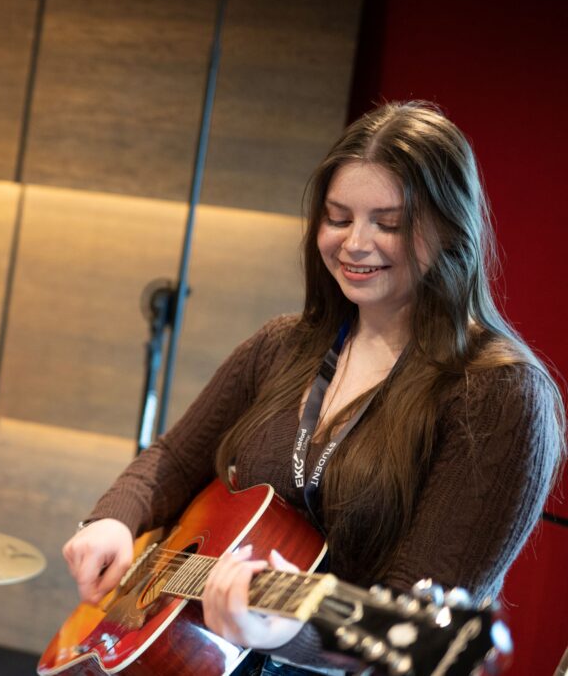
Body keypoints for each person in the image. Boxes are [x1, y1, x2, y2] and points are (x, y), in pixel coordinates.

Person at [61, 102, 564, 674]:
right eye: (338, 217)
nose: (355, 243)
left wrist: (290, 633)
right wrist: (113, 520)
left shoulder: (500, 395)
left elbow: (412, 615)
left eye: (388, 224)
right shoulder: (283, 344)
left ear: (450, 229)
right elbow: (173, 457)